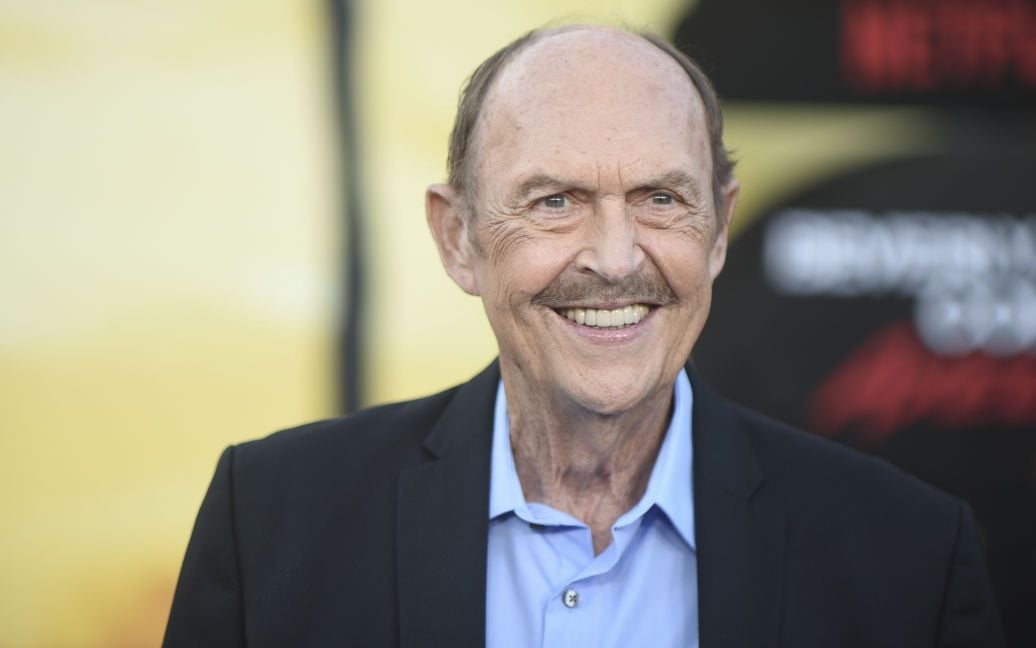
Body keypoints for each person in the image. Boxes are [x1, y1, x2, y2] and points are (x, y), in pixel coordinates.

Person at [163, 25, 1005, 647]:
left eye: (661, 199)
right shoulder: (272, 523)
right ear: (457, 238)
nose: (615, 258)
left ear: (719, 231)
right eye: (555, 201)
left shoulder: (908, 557)